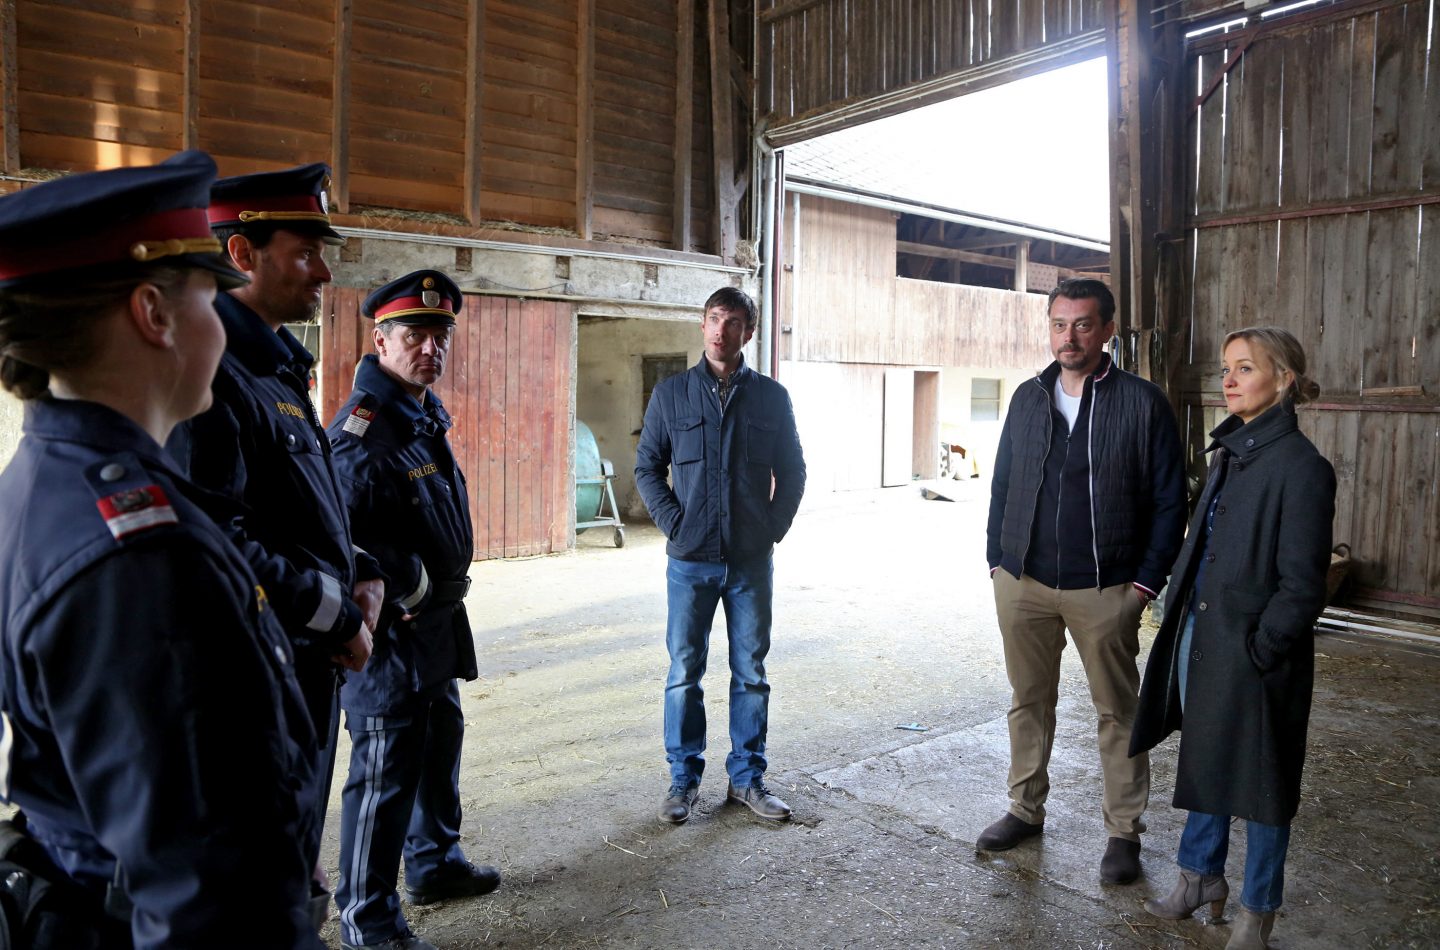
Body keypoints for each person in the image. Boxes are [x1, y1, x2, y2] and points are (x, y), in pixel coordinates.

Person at [0, 151, 324, 947]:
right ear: (155, 313)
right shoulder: (137, 561)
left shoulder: (43, 480)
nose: (223, 322)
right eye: (212, 294)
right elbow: (206, 895)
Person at [167, 163, 384, 920]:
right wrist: (338, 611)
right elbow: (215, 542)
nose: (325, 271)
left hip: (304, 669)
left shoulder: (278, 370)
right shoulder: (213, 378)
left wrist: (361, 571)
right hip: (260, 672)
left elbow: (297, 511)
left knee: (293, 867)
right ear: (241, 256)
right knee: (261, 891)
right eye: (305, 252)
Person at [1130, 327, 1335, 949]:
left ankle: (1257, 909)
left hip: (1257, 651)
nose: (1229, 379)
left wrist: (1263, 650)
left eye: (1245, 368)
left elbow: (1303, 585)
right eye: (1227, 368)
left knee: (1266, 781)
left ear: (1285, 380)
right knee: (1208, 755)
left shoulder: (1303, 469)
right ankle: (1198, 877)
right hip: (1205, 633)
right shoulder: (1232, 453)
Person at [977, 277, 1186, 884]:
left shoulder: (1142, 403)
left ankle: (1123, 833)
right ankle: (1024, 809)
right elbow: (1002, 484)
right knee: (1028, 701)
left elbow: (1170, 503)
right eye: (1059, 324)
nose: (1069, 337)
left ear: (1108, 330)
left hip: (1107, 586)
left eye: (1083, 324)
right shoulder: (1026, 398)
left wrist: (1144, 585)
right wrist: (997, 560)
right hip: (1025, 581)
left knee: (1118, 711)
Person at [327, 271, 498, 950]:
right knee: (384, 770)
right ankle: (367, 920)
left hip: (435, 628)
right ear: (381, 340)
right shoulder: (362, 430)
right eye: (416, 335)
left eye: (440, 334)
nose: (431, 348)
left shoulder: (417, 411)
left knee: (439, 744)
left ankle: (433, 863)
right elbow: (341, 537)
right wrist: (413, 586)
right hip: (393, 633)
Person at [635, 286, 806, 824]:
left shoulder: (771, 398)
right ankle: (683, 781)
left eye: (732, 322)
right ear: (702, 324)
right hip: (690, 561)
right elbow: (647, 468)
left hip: (750, 561)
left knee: (750, 670)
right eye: (712, 319)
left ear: (748, 332)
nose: (720, 330)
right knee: (685, 670)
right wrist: (676, 524)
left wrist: (771, 528)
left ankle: (747, 779)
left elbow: (794, 470)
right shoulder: (672, 394)